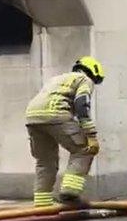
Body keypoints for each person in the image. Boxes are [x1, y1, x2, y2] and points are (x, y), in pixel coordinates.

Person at [25, 57, 104, 206]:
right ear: (93, 73)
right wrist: (91, 135)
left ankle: (42, 203)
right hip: (55, 113)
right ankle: (70, 194)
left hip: (32, 117)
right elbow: (82, 104)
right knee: (84, 149)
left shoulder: (57, 79)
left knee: (45, 160)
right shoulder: (83, 79)